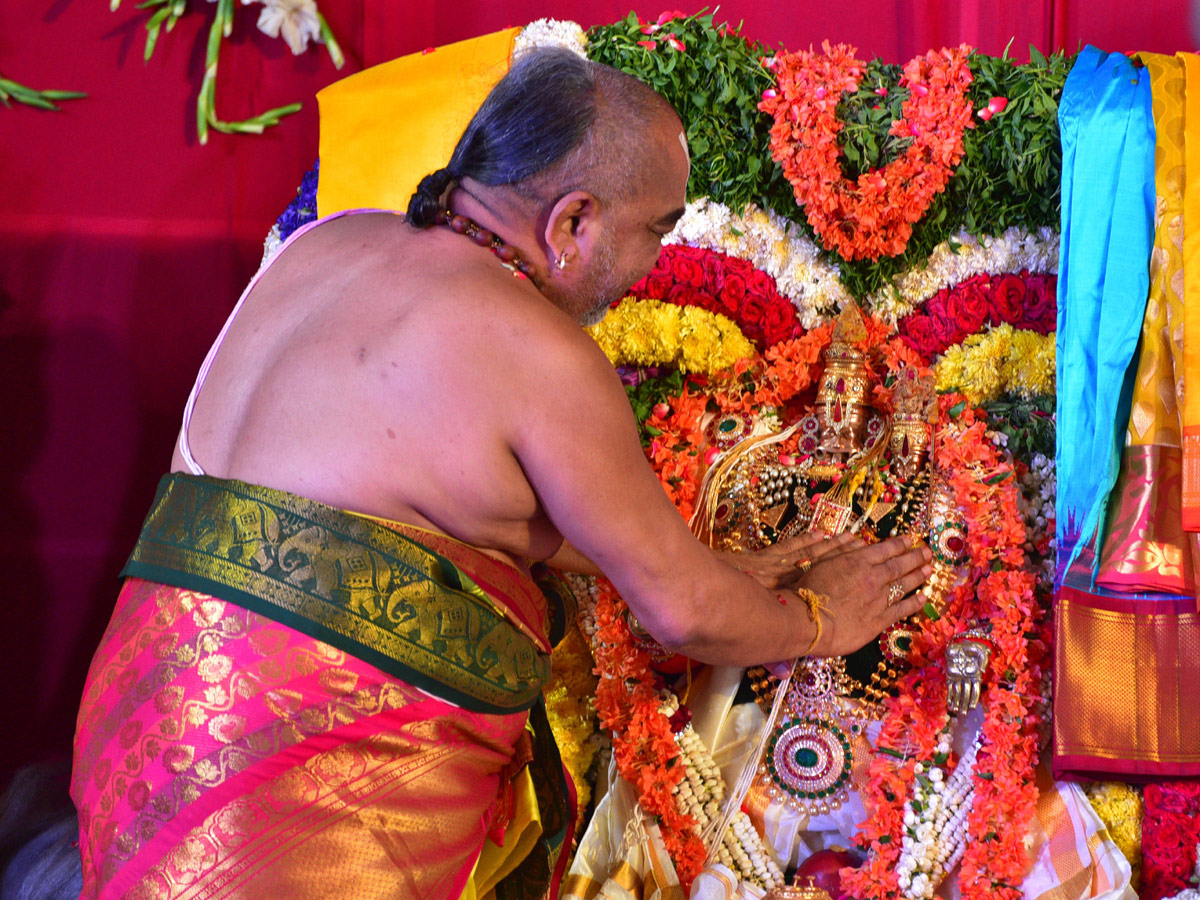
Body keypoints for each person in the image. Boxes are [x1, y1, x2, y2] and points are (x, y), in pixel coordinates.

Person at [68, 48, 930, 900]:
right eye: (654, 231)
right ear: (573, 222)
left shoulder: (325, 245)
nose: (651, 266)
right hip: (288, 806)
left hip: (146, 738)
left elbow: (423, 508)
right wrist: (819, 618)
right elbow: (683, 613)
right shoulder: (536, 350)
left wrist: (706, 567)